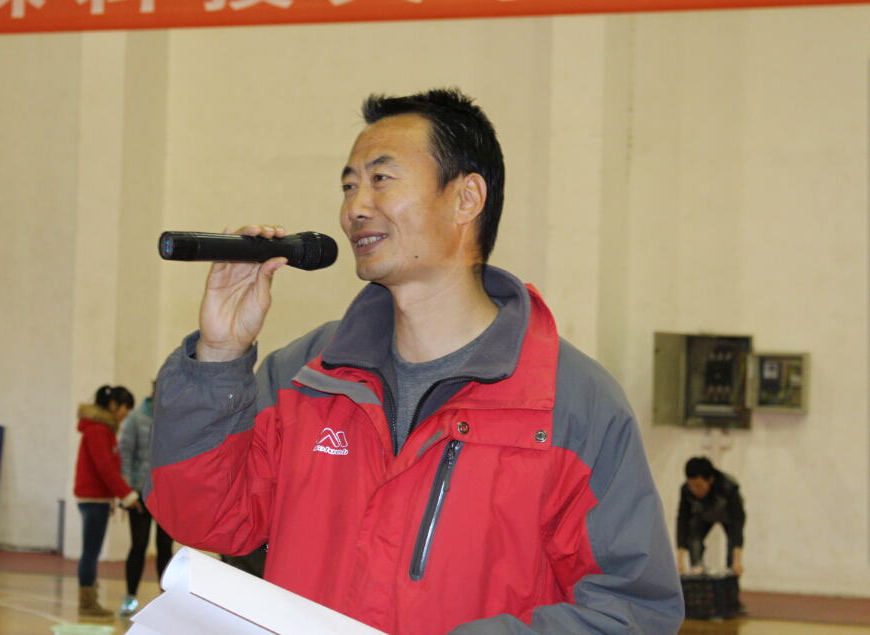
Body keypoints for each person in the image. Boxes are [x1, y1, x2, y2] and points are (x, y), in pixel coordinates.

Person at [145, 89, 684, 635]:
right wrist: (219, 353)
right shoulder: (307, 376)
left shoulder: (572, 404)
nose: (354, 208)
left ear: (466, 198)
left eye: (381, 179)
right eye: (349, 186)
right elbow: (203, 518)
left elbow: (631, 612)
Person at [74, 384, 142, 620]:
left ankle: (89, 599)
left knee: (91, 551)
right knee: (90, 552)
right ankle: (86, 603)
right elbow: (106, 469)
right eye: (125, 408)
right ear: (113, 405)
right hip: (93, 499)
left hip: (97, 499)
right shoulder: (98, 431)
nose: (127, 414)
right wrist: (127, 495)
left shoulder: (102, 430)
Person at [117, 383, 174, 617]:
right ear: (153, 393)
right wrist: (127, 493)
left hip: (166, 495)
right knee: (138, 546)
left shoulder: (174, 419)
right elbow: (125, 456)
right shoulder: (135, 419)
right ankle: (130, 598)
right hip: (140, 495)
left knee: (165, 549)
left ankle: (166, 601)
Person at [676, 456, 746, 576]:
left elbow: (737, 522)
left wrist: (737, 559)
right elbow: (683, 520)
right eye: (691, 486)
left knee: (732, 553)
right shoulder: (686, 490)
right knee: (694, 541)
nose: (695, 490)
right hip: (704, 515)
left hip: (728, 517)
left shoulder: (728, 487)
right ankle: (698, 575)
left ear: (710, 480)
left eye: (699, 486)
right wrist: (679, 560)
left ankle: (730, 580)